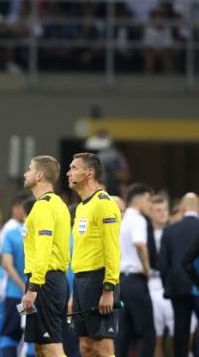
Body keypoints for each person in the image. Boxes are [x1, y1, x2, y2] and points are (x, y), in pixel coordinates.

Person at [67, 152, 122, 357]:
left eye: (74, 168)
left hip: (100, 281)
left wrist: (109, 288)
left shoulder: (104, 203)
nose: (68, 173)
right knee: (86, 348)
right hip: (81, 283)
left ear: (89, 173)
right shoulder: (82, 207)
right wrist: (75, 293)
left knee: (103, 349)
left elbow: (113, 249)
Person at [20, 156, 71, 356]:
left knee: (51, 346)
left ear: (39, 175)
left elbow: (44, 249)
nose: (26, 173)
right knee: (41, 346)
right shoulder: (57, 204)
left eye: (29, 169)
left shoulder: (43, 206)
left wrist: (34, 287)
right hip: (50, 280)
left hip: (44, 282)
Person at [116, 183, 155, 357]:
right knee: (146, 332)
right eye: (148, 200)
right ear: (139, 200)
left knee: (123, 333)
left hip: (122, 283)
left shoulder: (123, 219)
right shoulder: (138, 219)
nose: (150, 204)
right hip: (135, 282)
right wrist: (147, 271)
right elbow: (140, 244)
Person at [160, 192, 199, 357]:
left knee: (180, 329)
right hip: (196, 285)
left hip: (177, 286)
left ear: (182, 208)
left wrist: (166, 285)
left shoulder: (170, 230)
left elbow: (162, 265)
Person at [0, 198, 34, 357]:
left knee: (10, 334)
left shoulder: (12, 234)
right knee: (34, 337)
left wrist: (22, 287)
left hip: (16, 295)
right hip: (35, 295)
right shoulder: (46, 234)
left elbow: (6, 263)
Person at [147, 194, 173, 357]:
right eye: (158, 210)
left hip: (170, 285)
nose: (162, 213)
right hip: (151, 284)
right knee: (156, 334)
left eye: (164, 209)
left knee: (176, 331)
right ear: (151, 213)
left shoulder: (174, 232)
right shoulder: (144, 233)